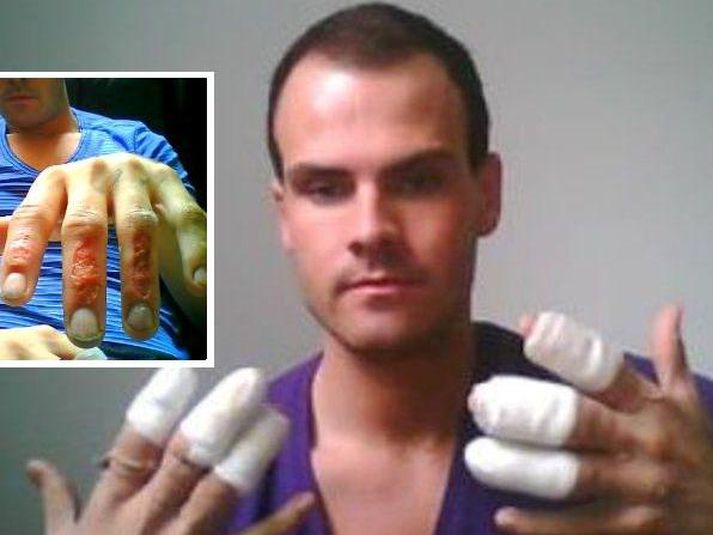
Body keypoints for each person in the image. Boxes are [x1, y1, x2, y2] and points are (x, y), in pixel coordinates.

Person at [25, 3, 713, 534]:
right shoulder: (184, 505)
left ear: (486, 195)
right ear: (284, 215)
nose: (371, 231)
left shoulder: (669, 446)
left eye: (418, 181)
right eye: (326, 189)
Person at [0, 78, 207, 359]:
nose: (14, 78)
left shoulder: (136, 141)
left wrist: (151, 212)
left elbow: (216, 311)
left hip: (142, 356)